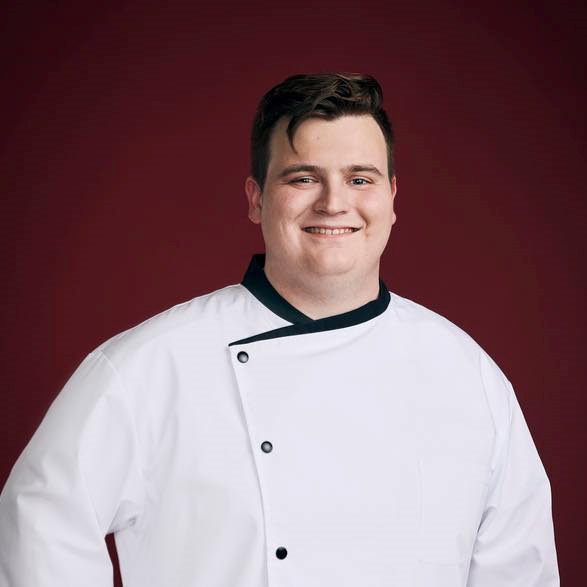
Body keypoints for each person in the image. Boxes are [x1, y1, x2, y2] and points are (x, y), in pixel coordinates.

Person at [0, 72, 559, 586]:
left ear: (392, 198)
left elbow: (521, 573)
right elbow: (39, 530)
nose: (334, 203)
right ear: (256, 199)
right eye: (303, 178)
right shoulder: (148, 366)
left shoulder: (468, 376)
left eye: (359, 178)